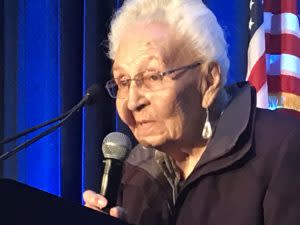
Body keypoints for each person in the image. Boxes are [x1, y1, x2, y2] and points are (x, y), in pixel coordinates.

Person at [83, 0, 300, 224]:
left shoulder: (284, 148)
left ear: (208, 81)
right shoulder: (135, 169)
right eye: (123, 81)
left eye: (152, 77)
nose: (132, 101)